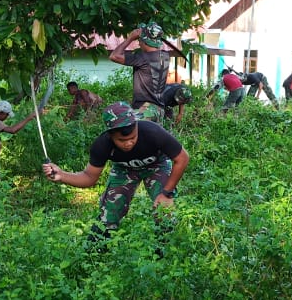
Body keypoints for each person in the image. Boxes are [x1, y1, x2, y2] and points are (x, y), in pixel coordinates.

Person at [41, 102, 190, 253]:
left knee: (164, 210)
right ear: (110, 134)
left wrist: (166, 193)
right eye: (121, 140)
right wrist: (62, 175)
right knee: (109, 212)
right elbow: (89, 177)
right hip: (124, 169)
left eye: (132, 137)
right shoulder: (102, 145)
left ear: (136, 127)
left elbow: (182, 158)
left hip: (157, 164)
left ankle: (164, 253)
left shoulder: (153, 132)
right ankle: (93, 254)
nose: (128, 143)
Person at [110, 22, 170, 121]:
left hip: (146, 110)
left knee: (116, 121)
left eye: (139, 40)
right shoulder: (165, 55)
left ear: (145, 41)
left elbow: (114, 56)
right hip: (158, 109)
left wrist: (130, 38)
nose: (138, 42)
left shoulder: (143, 58)